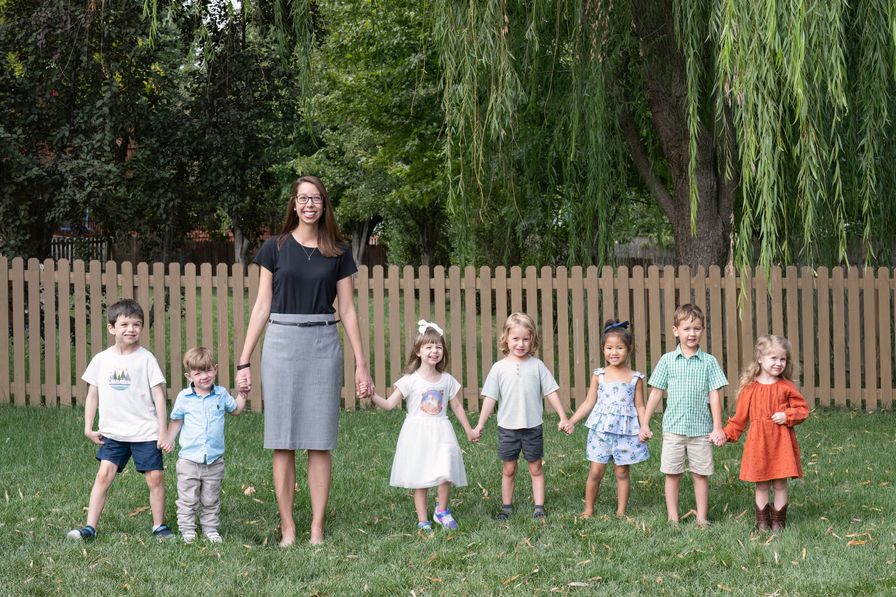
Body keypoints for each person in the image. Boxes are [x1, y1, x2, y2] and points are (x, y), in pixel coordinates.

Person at [235, 175, 373, 546]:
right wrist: (243, 360)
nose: (309, 204)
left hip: (323, 344)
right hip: (281, 344)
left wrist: (362, 364)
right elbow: (262, 306)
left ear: (324, 206)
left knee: (319, 440)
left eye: (316, 199)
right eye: (302, 198)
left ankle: (315, 527)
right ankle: (288, 528)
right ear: (293, 205)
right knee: (282, 440)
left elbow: (347, 309)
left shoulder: (339, 253)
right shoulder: (274, 248)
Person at [66, 299, 174, 541]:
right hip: (113, 432)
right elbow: (92, 395)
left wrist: (163, 431)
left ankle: (159, 526)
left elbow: (159, 395)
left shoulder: (146, 359)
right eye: (124, 324)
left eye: (137, 324)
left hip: (145, 431)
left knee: (155, 477)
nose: (131, 329)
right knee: (104, 475)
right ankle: (89, 528)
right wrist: (88, 427)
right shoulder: (101, 360)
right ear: (111, 328)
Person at [367, 321, 478, 532]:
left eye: (438, 346)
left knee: (445, 472)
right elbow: (390, 404)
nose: (434, 351)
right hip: (417, 433)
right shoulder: (410, 380)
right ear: (418, 351)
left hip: (441, 430)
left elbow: (456, 406)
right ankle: (423, 520)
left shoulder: (446, 380)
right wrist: (372, 395)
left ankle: (442, 511)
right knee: (421, 476)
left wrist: (469, 430)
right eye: (428, 347)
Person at [474, 312, 572, 520]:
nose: (520, 344)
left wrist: (563, 417)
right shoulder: (499, 368)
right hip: (508, 429)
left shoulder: (537, 366)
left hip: (532, 427)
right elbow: (490, 398)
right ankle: (506, 507)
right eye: (515, 339)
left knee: (535, 468)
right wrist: (480, 424)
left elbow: (551, 392)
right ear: (506, 339)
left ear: (532, 340)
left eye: (525, 339)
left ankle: (539, 507)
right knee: (509, 469)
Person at [639, 304, 727, 527]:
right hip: (673, 429)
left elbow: (714, 395)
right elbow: (656, 392)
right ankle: (672, 517)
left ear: (703, 331)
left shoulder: (709, 362)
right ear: (675, 330)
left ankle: (701, 517)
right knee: (672, 473)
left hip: (701, 430)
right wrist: (645, 422)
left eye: (697, 328)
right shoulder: (668, 360)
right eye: (687, 328)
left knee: (700, 474)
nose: (692, 333)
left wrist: (718, 427)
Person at [719, 335, 809, 532]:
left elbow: (803, 410)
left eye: (783, 359)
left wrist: (787, 415)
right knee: (761, 485)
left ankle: (778, 523)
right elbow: (739, 419)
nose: (779, 363)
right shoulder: (750, 389)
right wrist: (725, 434)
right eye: (773, 358)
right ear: (760, 358)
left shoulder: (786, 386)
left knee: (780, 484)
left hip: (781, 443)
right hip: (758, 444)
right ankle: (762, 524)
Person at [563, 319, 649, 518]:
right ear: (603, 349)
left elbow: (640, 405)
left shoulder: (635, 378)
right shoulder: (599, 375)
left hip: (625, 432)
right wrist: (571, 421)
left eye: (619, 348)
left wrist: (644, 426)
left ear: (629, 349)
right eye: (609, 348)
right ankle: (588, 509)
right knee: (595, 472)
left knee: (622, 472)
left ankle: (621, 511)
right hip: (601, 431)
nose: (614, 352)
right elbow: (588, 402)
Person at [164, 347, 247, 543]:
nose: (204, 376)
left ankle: (210, 529)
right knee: (188, 499)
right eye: (198, 373)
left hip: (214, 460)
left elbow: (235, 410)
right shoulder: (184, 398)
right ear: (189, 376)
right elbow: (176, 421)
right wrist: (169, 439)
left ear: (215, 369)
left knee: (211, 498)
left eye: (208, 370)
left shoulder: (220, 394)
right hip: (189, 461)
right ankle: (187, 530)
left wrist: (243, 394)